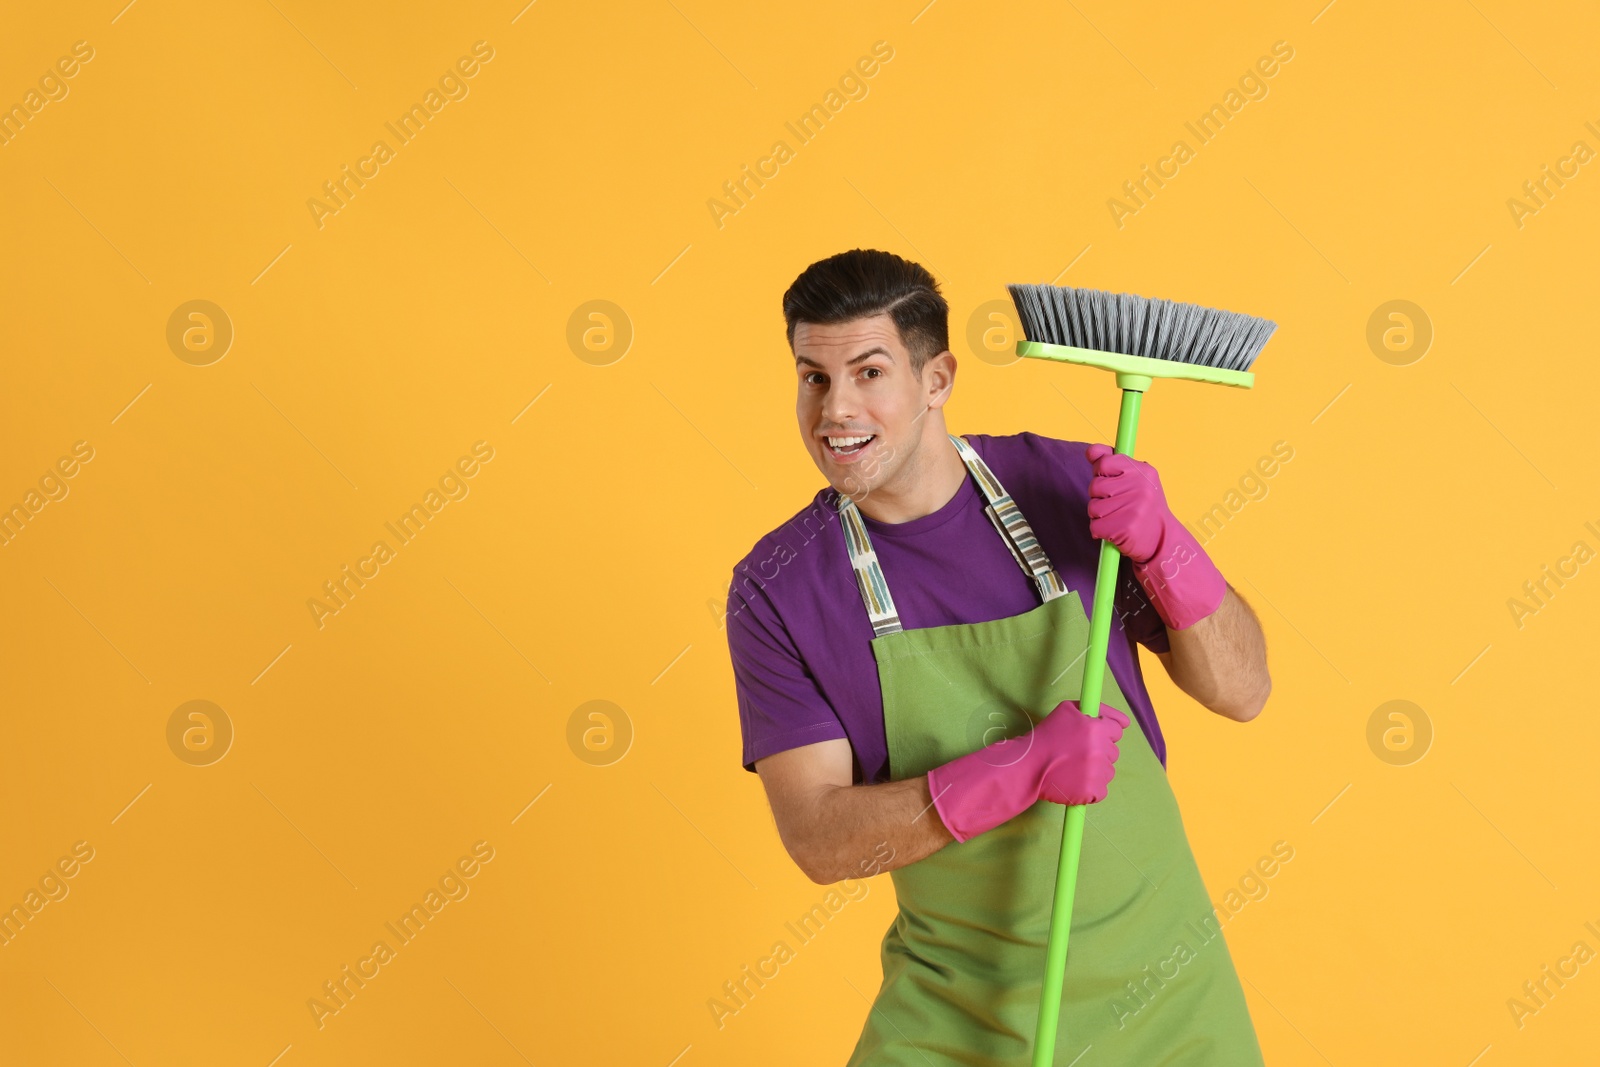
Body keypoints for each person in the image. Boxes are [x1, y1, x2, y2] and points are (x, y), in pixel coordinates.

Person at [724, 248, 1271, 1065]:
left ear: (937, 378)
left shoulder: (1065, 484)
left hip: (1168, 1003)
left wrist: (1169, 549)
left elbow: (1244, 688)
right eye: (813, 377)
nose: (836, 410)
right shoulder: (781, 587)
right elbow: (819, 838)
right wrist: (1012, 772)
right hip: (957, 1017)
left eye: (869, 372)